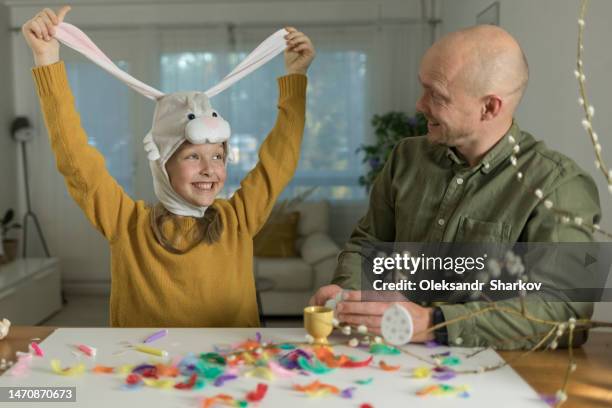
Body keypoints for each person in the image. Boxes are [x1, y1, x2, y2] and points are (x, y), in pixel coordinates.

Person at [22, 6, 315, 327]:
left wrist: (295, 75)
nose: (209, 169)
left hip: (230, 372)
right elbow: (75, 158)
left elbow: (280, 158)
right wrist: (47, 60)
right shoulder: (126, 224)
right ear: (163, 163)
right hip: (145, 374)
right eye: (192, 156)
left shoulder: (238, 220)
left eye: (218, 156)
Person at [311, 25, 600, 349]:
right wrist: (349, 295)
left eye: (437, 95)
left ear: (489, 107)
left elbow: (565, 311)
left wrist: (433, 324)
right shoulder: (406, 157)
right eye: (423, 88)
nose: (420, 105)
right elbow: (369, 244)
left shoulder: (557, 187)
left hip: (494, 377)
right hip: (384, 359)